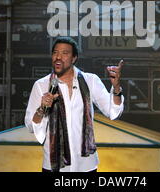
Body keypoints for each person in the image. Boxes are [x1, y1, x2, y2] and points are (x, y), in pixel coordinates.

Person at [24, 37, 124, 172]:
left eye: (64, 53)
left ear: (74, 58)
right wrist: (42, 109)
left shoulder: (91, 81)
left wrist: (116, 88)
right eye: (55, 52)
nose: (58, 57)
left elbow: (113, 112)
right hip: (54, 166)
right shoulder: (41, 85)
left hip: (86, 164)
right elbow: (31, 125)